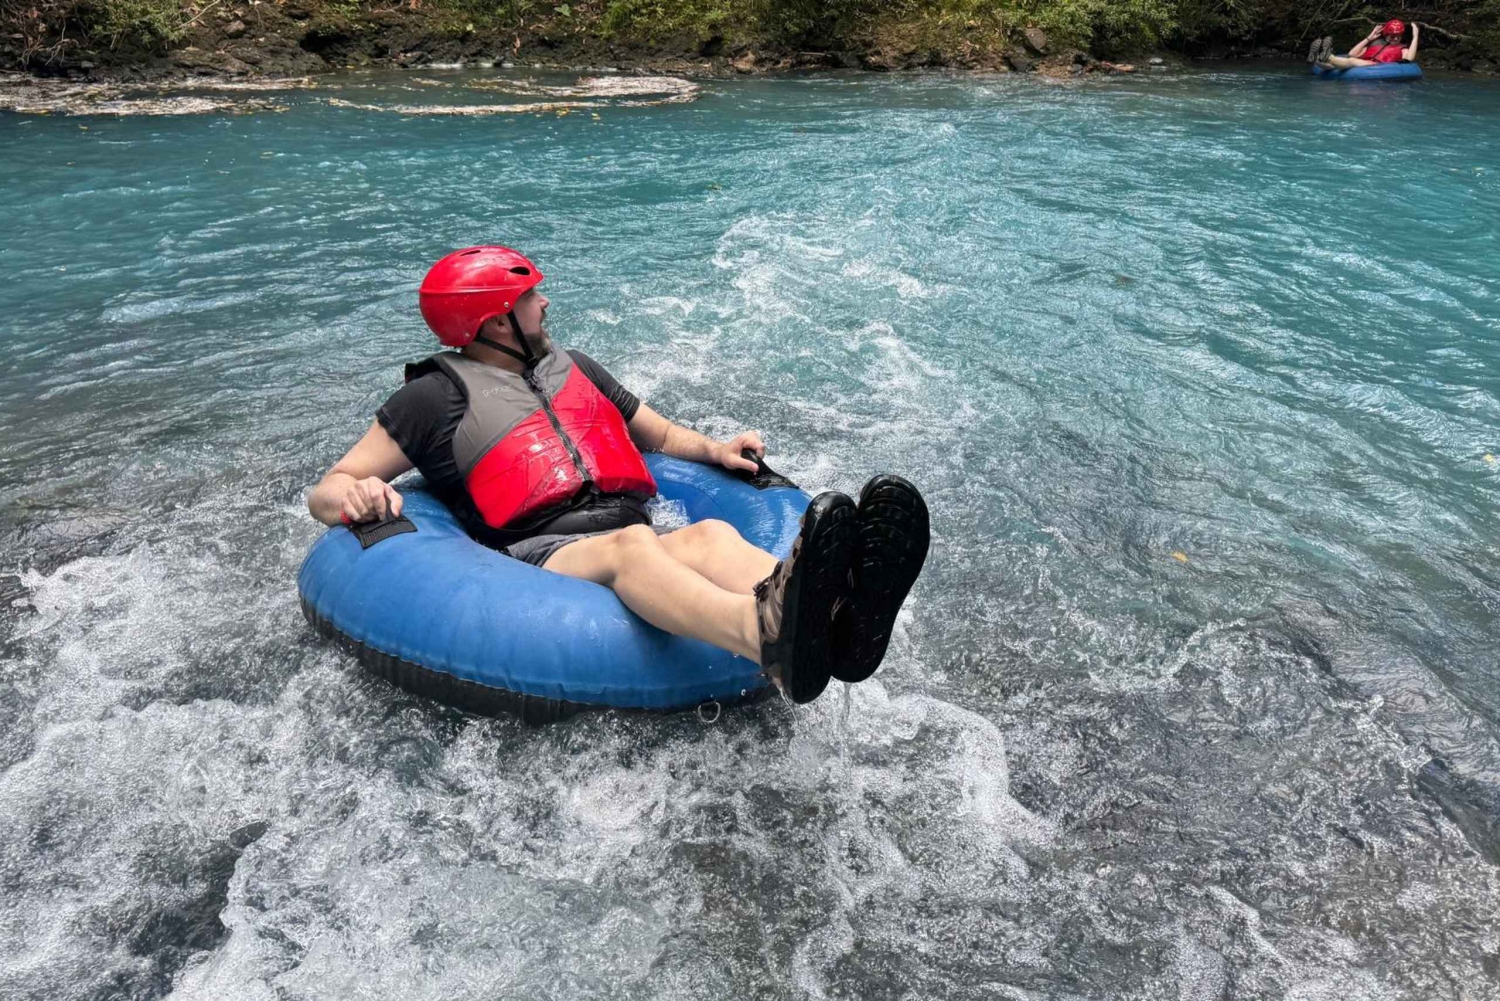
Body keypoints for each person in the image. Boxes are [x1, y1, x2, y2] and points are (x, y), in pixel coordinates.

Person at [308, 246, 930, 705]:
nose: (545, 302)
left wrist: (716, 450)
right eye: (530, 298)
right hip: (538, 552)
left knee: (711, 535)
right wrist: (356, 493)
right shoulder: (431, 400)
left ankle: (840, 620)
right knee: (632, 546)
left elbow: (655, 433)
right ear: (497, 322)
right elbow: (329, 488)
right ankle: (763, 637)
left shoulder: (572, 366)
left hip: (628, 524)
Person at [1310, 19, 1419, 69]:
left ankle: (1328, 57)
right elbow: (1352, 53)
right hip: (1363, 63)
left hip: (1377, 66)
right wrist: (1369, 38)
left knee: (1352, 61)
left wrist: (1415, 36)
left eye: (1398, 36)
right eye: (1392, 36)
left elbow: (1409, 59)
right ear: (1385, 35)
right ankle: (1317, 59)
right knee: (1333, 67)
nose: (1395, 38)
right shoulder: (1376, 44)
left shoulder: (1402, 50)